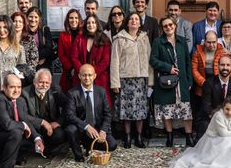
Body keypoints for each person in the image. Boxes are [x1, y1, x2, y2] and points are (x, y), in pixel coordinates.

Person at [110, 12, 153, 148]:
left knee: (140, 110)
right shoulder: (119, 39)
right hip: (125, 79)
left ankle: (139, 137)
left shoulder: (144, 38)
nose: (134, 21)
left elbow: (149, 60)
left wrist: (150, 81)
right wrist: (115, 82)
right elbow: (114, 62)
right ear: (127, 22)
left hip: (141, 79)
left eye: (137, 19)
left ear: (140, 23)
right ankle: (127, 137)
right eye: (131, 19)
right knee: (126, 110)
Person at [150, 16, 194, 147]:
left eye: (170, 25)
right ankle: (169, 137)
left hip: (182, 82)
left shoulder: (182, 41)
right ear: (162, 28)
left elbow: (187, 61)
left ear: (175, 25)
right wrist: (168, 68)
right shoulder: (158, 42)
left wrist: (189, 80)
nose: (168, 27)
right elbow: (153, 60)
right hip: (165, 81)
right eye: (165, 26)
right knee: (167, 110)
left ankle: (189, 137)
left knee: (186, 111)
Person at [64, 64, 117, 162]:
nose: (87, 78)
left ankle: (90, 147)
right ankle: (78, 155)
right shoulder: (72, 93)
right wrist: (87, 126)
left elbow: (107, 114)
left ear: (94, 76)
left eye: (89, 75)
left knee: (112, 145)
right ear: (79, 76)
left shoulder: (101, 92)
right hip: (81, 129)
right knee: (70, 129)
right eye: (84, 75)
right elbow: (69, 115)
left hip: (97, 129)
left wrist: (103, 130)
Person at [21, 69, 66, 157]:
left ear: (50, 82)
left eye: (47, 82)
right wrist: (42, 122)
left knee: (60, 135)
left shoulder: (55, 89)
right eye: (41, 82)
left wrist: (59, 122)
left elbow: (68, 106)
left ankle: (47, 150)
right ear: (34, 82)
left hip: (51, 125)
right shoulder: (24, 93)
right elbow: (23, 115)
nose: (44, 85)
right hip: (33, 126)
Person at [196, 55, 231, 137]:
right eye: (222, 65)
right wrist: (220, 119)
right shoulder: (208, 83)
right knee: (205, 125)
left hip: (229, 115)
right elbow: (207, 107)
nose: (225, 67)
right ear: (218, 66)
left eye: (228, 65)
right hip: (211, 116)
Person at [72, 15, 111, 105]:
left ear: (97, 24)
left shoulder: (104, 39)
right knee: (81, 104)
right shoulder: (79, 39)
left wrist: (92, 74)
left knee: (99, 104)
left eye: (93, 22)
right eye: (88, 23)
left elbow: (105, 61)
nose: (91, 25)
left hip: (99, 77)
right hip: (81, 78)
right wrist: (83, 73)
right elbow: (74, 58)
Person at [191, 30, 228, 100]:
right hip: (202, 85)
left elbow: (229, 68)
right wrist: (203, 83)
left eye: (214, 42)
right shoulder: (198, 51)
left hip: (218, 84)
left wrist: (220, 82)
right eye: (209, 42)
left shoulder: (222, 51)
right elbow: (194, 70)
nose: (211, 45)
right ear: (204, 41)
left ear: (217, 41)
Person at [57, 8, 82, 92]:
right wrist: (71, 68)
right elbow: (61, 55)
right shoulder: (63, 35)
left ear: (79, 20)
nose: (73, 20)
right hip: (68, 72)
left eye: (76, 18)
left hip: (81, 70)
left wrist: (79, 68)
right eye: (71, 18)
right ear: (68, 20)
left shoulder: (83, 35)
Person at [11, 11, 39, 81]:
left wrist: (24, 72)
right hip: (9, 73)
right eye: (15, 21)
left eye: (20, 22)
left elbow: (34, 59)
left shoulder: (29, 39)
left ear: (24, 24)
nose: (17, 24)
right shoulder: (6, 39)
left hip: (25, 75)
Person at [26, 6, 54, 71]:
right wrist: (34, 59)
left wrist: (40, 58)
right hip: (26, 65)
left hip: (42, 65)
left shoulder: (45, 30)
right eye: (31, 17)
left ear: (39, 18)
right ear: (27, 17)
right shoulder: (23, 31)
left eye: (36, 17)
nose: (33, 20)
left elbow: (49, 49)